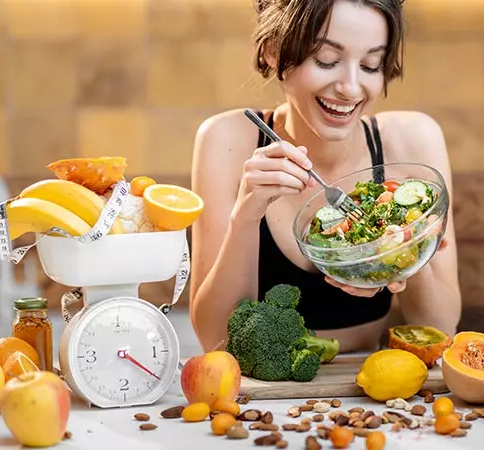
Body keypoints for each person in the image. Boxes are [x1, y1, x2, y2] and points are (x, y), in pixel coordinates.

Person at [189, 0, 461, 354]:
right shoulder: (226, 140)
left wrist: (408, 252)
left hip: (370, 391)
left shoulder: (413, 141)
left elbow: (440, 328)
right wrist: (246, 217)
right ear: (274, 50)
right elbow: (215, 340)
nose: (350, 88)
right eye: (327, 60)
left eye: (370, 65)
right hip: (264, 397)